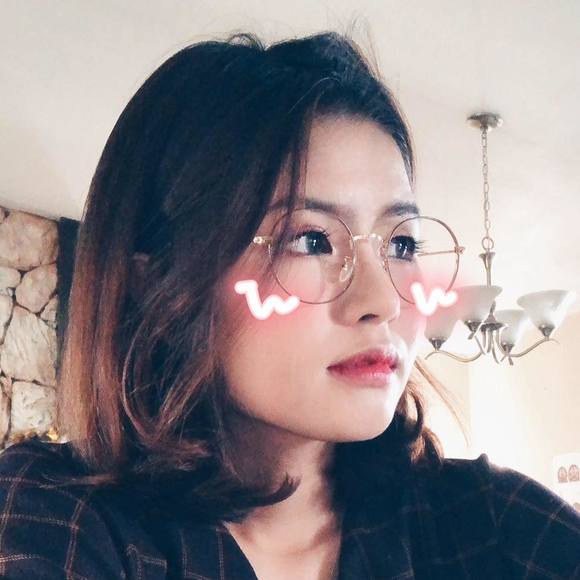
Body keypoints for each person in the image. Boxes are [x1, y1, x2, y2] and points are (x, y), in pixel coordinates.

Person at [0, 29, 578, 580]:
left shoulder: (489, 525)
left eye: (401, 245)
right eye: (311, 240)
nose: (383, 300)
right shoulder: (59, 520)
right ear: (156, 286)